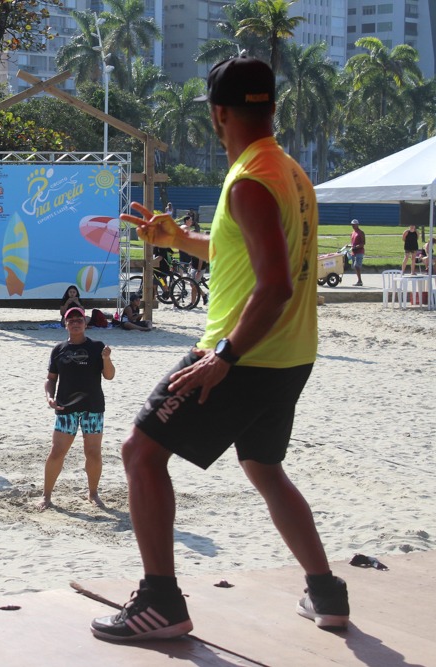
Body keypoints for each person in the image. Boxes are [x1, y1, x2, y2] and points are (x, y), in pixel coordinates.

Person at [91, 56, 348, 643]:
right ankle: (326, 591)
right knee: (263, 467)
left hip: (244, 354)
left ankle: (160, 601)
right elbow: (252, 261)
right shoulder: (288, 172)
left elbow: (275, 285)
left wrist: (223, 357)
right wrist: (180, 239)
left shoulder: (251, 180)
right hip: (289, 355)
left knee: (140, 452)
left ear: (218, 113)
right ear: (272, 109)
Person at [37, 307, 115, 511]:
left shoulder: (97, 347)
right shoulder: (58, 349)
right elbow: (50, 379)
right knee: (57, 452)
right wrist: (49, 397)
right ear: (65, 324)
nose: (75, 323)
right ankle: (46, 495)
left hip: (93, 407)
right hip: (65, 407)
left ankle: (93, 493)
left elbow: (109, 376)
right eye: (70, 320)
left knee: (93, 453)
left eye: (79, 319)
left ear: (85, 323)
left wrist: (107, 359)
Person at [349, 219, 365, 286]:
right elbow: (352, 243)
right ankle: (359, 280)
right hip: (353, 252)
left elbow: (363, 243)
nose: (353, 226)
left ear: (357, 224)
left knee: (356, 265)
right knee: (354, 266)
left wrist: (356, 247)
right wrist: (350, 246)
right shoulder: (352, 233)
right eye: (352, 225)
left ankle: (360, 281)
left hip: (359, 252)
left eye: (354, 224)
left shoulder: (361, 232)